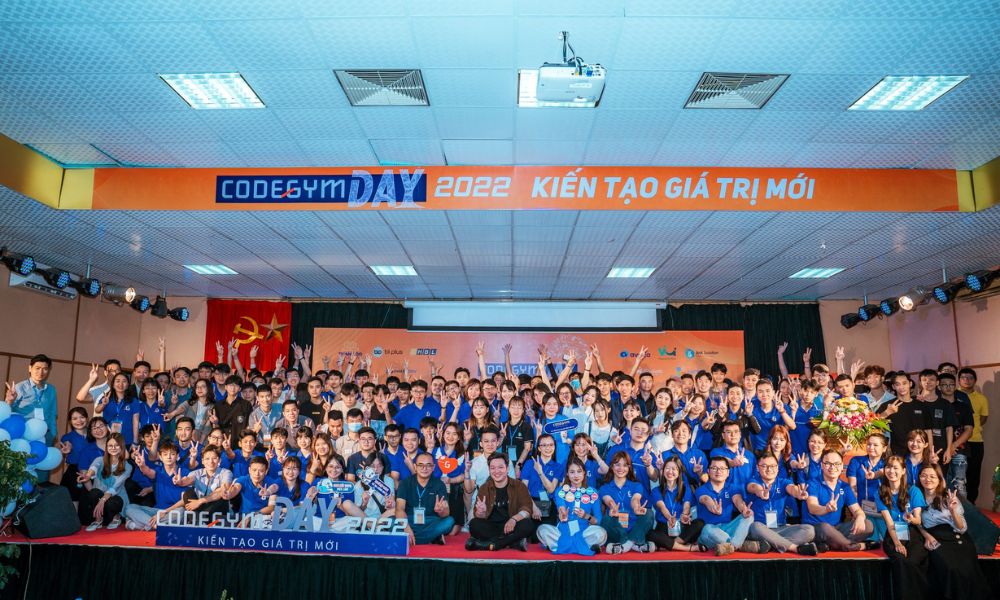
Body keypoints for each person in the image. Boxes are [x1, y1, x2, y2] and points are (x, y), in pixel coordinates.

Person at [914, 463, 991, 600]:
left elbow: (962, 528)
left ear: (939, 479)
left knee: (965, 569)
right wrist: (926, 535)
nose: (928, 479)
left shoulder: (948, 497)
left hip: (956, 537)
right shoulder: (915, 497)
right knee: (950, 568)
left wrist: (952, 511)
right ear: (919, 478)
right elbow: (916, 523)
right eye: (924, 475)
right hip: (935, 539)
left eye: (932, 476)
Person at [876, 455, 928, 600]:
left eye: (895, 468)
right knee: (900, 561)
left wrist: (911, 519)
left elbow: (918, 519)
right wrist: (897, 543)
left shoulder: (914, 491)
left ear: (904, 470)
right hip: (894, 533)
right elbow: (889, 523)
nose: (891, 471)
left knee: (912, 562)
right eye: (888, 467)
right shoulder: (880, 492)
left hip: (913, 532)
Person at [743, 453, 817, 555]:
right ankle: (795, 548)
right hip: (761, 529)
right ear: (757, 468)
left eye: (772, 466)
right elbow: (753, 487)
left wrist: (798, 493)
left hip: (780, 527)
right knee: (755, 526)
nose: (769, 469)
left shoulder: (783, 482)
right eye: (764, 466)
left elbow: (792, 488)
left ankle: (771, 545)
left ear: (777, 468)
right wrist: (760, 492)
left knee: (809, 530)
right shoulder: (752, 481)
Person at [804, 450, 875, 552]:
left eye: (837, 464)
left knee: (868, 525)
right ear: (822, 466)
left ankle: (833, 544)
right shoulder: (813, 483)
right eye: (828, 463)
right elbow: (812, 507)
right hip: (817, 528)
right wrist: (826, 509)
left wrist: (860, 517)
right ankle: (856, 546)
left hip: (836, 528)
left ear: (842, 466)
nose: (832, 467)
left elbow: (857, 510)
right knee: (825, 527)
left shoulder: (845, 487)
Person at [467, 452, 537, 551]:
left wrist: (514, 519)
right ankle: (512, 543)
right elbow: (479, 515)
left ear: (507, 469)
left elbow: (527, 509)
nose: (497, 471)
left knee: (527, 524)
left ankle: (492, 544)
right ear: (489, 470)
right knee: (474, 524)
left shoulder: (519, 486)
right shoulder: (484, 488)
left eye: (500, 467)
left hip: (512, 526)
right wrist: (480, 512)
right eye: (493, 468)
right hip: (492, 527)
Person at [536, 458, 607, 555]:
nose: (576, 475)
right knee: (542, 530)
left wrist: (586, 516)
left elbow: (598, 520)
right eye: (572, 472)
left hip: (584, 531)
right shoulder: (560, 490)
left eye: (579, 471)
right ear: (567, 474)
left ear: (584, 473)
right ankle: (585, 546)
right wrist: (562, 514)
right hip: (563, 531)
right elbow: (561, 506)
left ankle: (558, 546)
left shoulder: (592, 492)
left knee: (601, 533)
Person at [695, 456, 754, 556]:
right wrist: (713, 507)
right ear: (708, 471)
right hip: (710, 533)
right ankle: (739, 545)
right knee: (707, 528)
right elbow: (706, 499)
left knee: (749, 516)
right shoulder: (701, 489)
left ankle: (732, 546)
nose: (718, 471)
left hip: (728, 528)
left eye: (722, 468)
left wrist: (743, 509)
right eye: (714, 468)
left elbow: (737, 500)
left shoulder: (733, 488)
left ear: (728, 472)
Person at [125, 439, 189, 530]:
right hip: (156, 511)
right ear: (160, 457)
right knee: (129, 508)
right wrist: (142, 465)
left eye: (172, 454)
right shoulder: (158, 471)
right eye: (165, 454)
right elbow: (147, 471)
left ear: (177, 456)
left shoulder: (185, 472)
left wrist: (165, 511)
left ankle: (141, 524)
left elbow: (183, 501)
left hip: (173, 511)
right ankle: (155, 526)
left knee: (182, 512)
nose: (169, 457)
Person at [599, 452, 655, 554]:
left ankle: (625, 545)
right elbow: (609, 501)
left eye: (625, 465)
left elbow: (635, 499)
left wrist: (636, 507)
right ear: (612, 467)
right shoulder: (604, 488)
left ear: (629, 468)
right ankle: (636, 543)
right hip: (617, 528)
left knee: (649, 513)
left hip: (634, 526)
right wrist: (613, 508)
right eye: (617, 465)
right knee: (606, 519)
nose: (621, 468)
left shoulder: (636, 485)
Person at [647, 456, 704, 552]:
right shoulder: (656, 490)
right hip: (664, 526)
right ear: (663, 470)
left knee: (699, 523)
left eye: (674, 469)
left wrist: (684, 515)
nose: (670, 472)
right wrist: (670, 518)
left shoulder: (686, 489)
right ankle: (686, 547)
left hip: (681, 527)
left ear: (679, 472)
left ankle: (670, 544)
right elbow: (662, 507)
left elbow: (686, 506)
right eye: (667, 468)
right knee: (650, 534)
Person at [76, 432, 132, 531]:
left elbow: (115, 486)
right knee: (93, 492)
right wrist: (88, 475)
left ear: (122, 447)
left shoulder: (127, 466)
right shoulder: (99, 460)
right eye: (110, 445)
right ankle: (98, 519)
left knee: (113, 502)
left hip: (116, 496)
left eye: (116, 445)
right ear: (106, 447)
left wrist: (103, 500)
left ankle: (116, 517)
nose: (113, 448)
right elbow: (93, 468)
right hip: (100, 494)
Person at [395, 453, 454, 545]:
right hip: (410, 520)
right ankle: (432, 537)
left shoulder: (439, 484)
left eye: (428, 465)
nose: (424, 468)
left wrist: (441, 511)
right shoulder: (405, 483)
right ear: (415, 466)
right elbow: (399, 509)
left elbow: (446, 513)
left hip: (430, 521)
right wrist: (406, 527)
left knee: (449, 522)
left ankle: (411, 538)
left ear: (433, 467)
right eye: (420, 465)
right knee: (391, 522)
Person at [4, 354, 58, 447]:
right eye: (37, 368)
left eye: (45, 369)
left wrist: (53, 434)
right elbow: (6, 412)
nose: (41, 372)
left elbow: (53, 414)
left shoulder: (51, 390)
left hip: (45, 434)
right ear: (30, 368)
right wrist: (9, 401)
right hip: (24, 434)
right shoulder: (19, 387)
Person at [173, 445, 233, 518]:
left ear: (219, 460)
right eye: (207, 459)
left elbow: (221, 492)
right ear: (203, 461)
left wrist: (200, 501)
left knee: (221, 497)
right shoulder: (196, 473)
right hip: (199, 510)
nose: (211, 462)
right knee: (187, 493)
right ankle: (198, 519)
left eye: (214, 458)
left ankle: (199, 519)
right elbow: (188, 479)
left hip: (217, 512)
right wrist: (180, 482)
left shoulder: (226, 473)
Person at [521, 433, 564, 530]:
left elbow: (551, 489)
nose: (548, 448)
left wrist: (540, 472)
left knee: (546, 533)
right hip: (530, 501)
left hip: (548, 504)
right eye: (544, 445)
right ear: (539, 448)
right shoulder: (529, 463)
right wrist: (534, 508)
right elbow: (523, 489)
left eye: (551, 445)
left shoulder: (558, 466)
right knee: (531, 533)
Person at [57, 407, 89, 501]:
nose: (79, 421)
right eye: (74, 418)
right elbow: (67, 444)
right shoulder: (67, 437)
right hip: (74, 472)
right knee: (72, 500)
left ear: (87, 418)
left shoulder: (94, 434)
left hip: (92, 471)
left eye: (82, 417)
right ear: (70, 421)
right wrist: (68, 448)